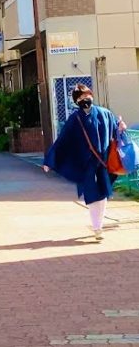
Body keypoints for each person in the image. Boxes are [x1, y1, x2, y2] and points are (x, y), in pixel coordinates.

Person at [44, 84, 123, 241]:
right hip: (86, 164)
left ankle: (98, 225)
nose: (84, 100)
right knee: (92, 194)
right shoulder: (75, 119)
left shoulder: (105, 113)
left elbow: (116, 131)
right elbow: (63, 140)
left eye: (86, 96)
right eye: (80, 98)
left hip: (104, 162)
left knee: (103, 193)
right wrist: (50, 160)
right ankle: (97, 227)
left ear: (91, 95)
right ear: (76, 101)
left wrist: (121, 127)